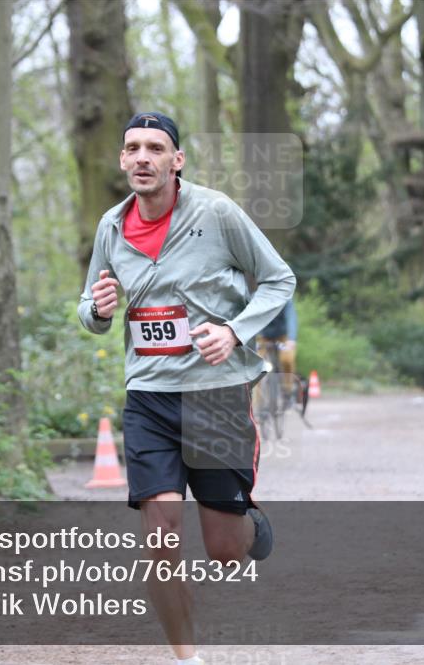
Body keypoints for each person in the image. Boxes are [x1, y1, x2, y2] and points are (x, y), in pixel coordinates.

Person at [77, 111, 296, 665]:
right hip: (149, 397)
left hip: (215, 394)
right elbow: (89, 307)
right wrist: (98, 312)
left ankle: (250, 524)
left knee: (225, 551)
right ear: (123, 160)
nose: (143, 157)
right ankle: (186, 658)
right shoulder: (110, 226)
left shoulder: (216, 212)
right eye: (133, 148)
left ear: (177, 161)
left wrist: (233, 330)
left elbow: (279, 280)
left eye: (156, 148)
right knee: (161, 535)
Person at [256, 299, 298, 405]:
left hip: (283, 337)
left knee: (287, 360)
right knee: (257, 368)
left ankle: (287, 391)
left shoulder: (285, 299)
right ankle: (258, 408)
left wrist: (291, 339)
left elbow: (291, 318)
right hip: (263, 337)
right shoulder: (257, 297)